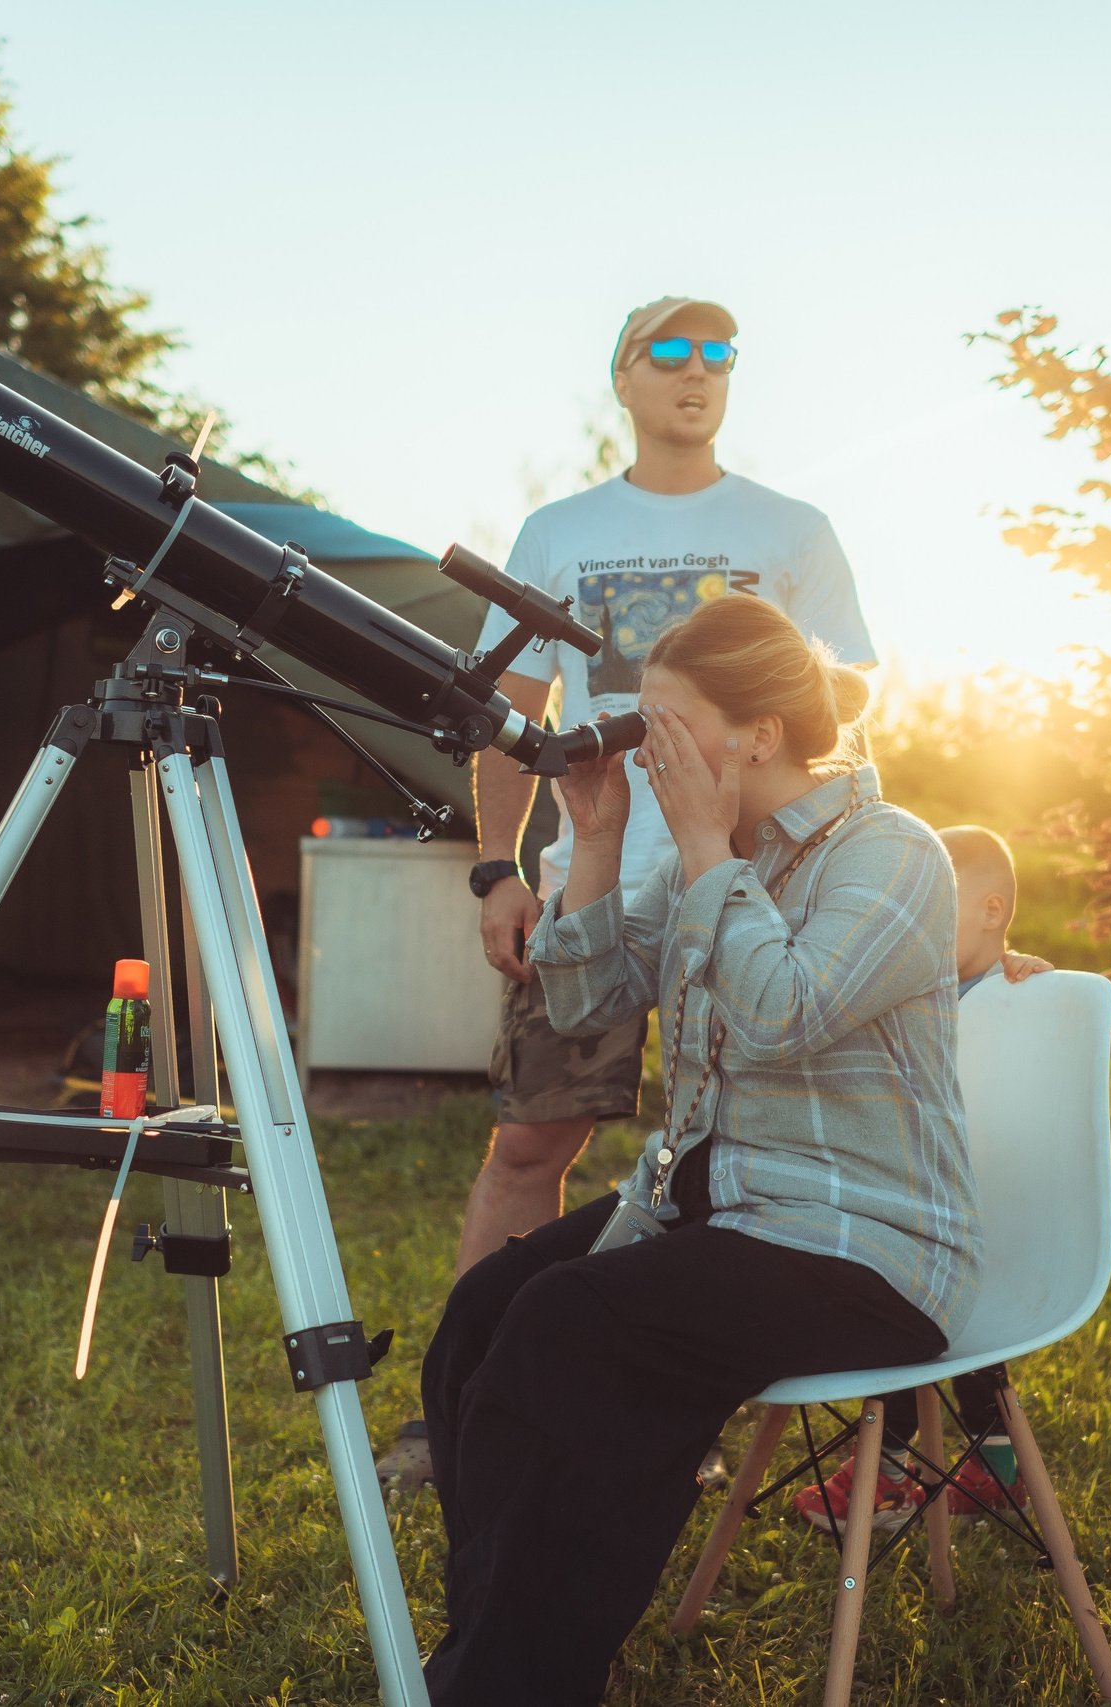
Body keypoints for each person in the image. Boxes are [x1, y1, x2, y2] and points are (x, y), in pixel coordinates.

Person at [419, 596, 977, 1705]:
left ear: (758, 736)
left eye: (664, 724)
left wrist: (702, 851)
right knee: (485, 1311)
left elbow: (780, 1013)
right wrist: (599, 836)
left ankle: (507, 1677)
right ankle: (492, 1640)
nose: (648, 745)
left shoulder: (892, 855)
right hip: (718, 1213)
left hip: (862, 1246)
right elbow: (576, 1004)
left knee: (570, 1326)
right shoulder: (699, 860)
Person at [381, 293, 877, 1491]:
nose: (698, 371)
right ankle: (467, 1409)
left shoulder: (792, 526)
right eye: (670, 351)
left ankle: (676, 1408)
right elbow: (509, 716)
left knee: (736, 1157)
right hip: (594, 886)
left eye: (720, 353)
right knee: (528, 1140)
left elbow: (847, 707)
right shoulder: (559, 529)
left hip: (750, 890)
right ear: (624, 379)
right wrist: (500, 870)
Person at [790, 822, 1052, 1532]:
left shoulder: (1009, 991)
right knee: (920, 1303)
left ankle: (891, 1465)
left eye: (938, 908)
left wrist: (1013, 980)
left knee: (908, 1296)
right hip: (920, 1199)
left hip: (978, 1206)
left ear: (992, 911)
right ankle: (983, 1471)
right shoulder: (916, 982)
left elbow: (1030, 1081)